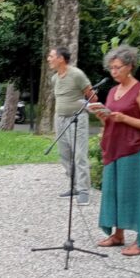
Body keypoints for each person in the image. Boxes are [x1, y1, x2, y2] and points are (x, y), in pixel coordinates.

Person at [94, 45, 140, 256]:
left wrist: (124, 118)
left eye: (117, 67)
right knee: (113, 192)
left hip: (131, 147)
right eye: (111, 68)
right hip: (112, 146)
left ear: (130, 66)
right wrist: (102, 116)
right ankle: (118, 235)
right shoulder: (113, 91)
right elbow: (110, 120)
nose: (113, 72)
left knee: (132, 193)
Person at [47, 46, 96, 205]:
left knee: (79, 154)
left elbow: (93, 97)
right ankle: (74, 186)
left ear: (61, 59)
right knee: (65, 155)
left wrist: (84, 107)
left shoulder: (77, 74)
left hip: (77, 119)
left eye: (51, 56)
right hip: (59, 119)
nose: (48, 59)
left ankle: (84, 191)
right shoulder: (55, 78)